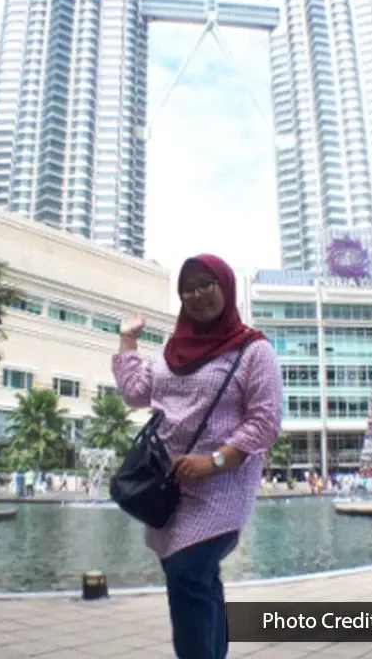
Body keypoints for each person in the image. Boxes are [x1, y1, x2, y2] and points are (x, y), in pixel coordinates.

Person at [113, 253, 283, 659]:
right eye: (188, 288)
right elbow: (135, 392)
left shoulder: (253, 350)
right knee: (199, 581)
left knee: (187, 575)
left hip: (221, 489)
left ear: (225, 285)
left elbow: (265, 421)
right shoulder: (174, 351)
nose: (198, 294)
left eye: (207, 283)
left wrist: (215, 461)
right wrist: (128, 340)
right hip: (169, 487)